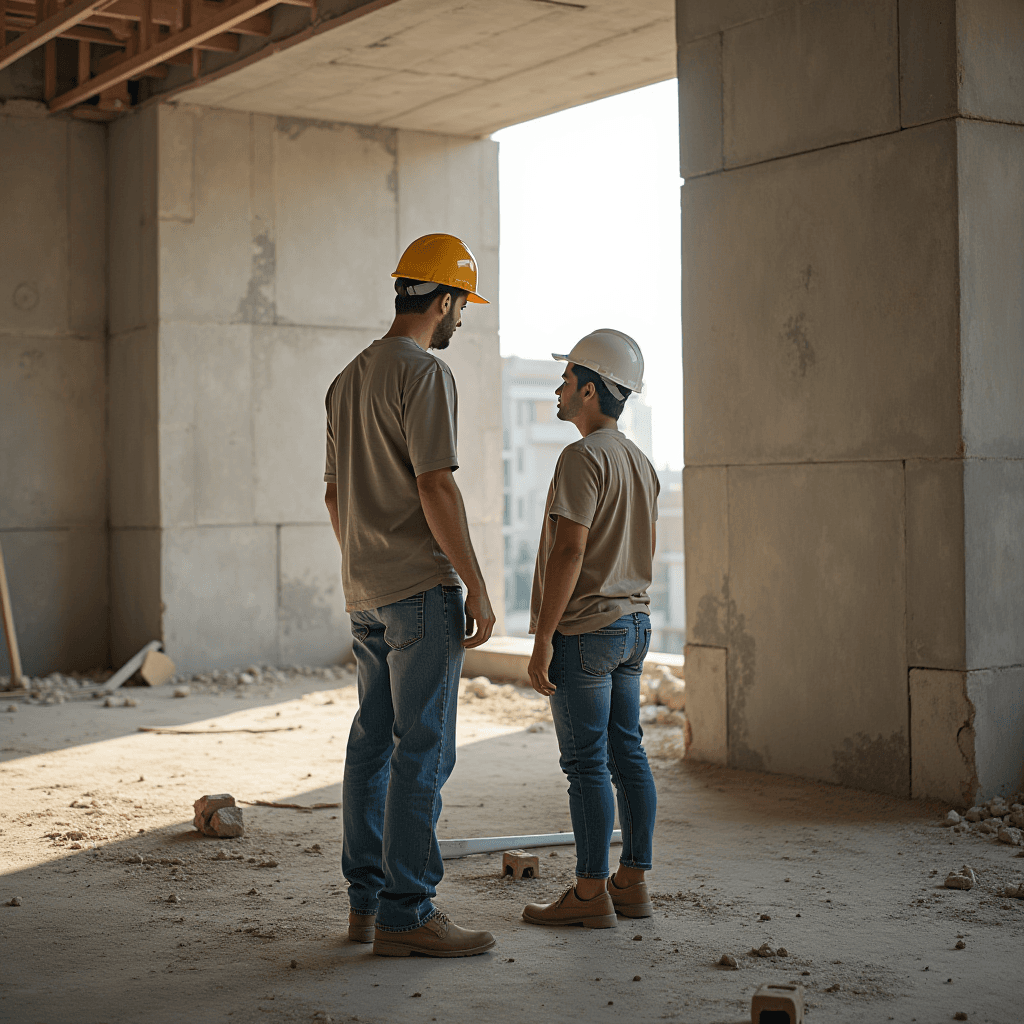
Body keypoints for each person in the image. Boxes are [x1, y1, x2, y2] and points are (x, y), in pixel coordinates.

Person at [324, 233, 497, 957]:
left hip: (365, 590)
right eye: (462, 306)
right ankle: (408, 912)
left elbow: (335, 496)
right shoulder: (423, 374)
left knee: (371, 745)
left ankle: (367, 906)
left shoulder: (346, 379)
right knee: (421, 749)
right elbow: (435, 485)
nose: (462, 320)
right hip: (421, 592)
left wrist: (365, 564)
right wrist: (478, 588)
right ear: (446, 299)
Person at [521, 329, 660, 929]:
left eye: (566, 379)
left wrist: (544, 637)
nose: (559, 389)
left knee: (586, 764)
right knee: (628, 753)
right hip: (634, 626)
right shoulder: (640, 461)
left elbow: (570, 550)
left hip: (587, 631)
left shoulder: (582, 458)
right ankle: (631, 882)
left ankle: (588, 892)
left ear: (589, 389)